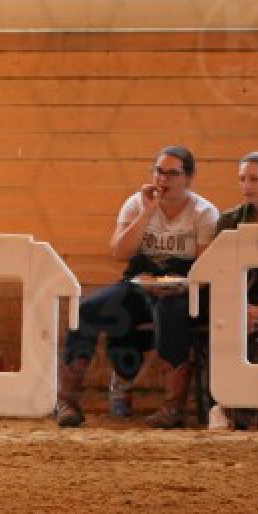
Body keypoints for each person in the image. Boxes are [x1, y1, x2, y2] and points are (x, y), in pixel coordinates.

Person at [53, 146, 217, 430]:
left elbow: (204, 268)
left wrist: (180, 286)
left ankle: (173, 406)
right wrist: (148, 211)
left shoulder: (204, 213)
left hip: (183, 289)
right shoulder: (136, 203)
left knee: (171, 313)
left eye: (172, 174)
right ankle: (66, 401)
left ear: (188, 178)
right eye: (158, 172)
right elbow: (119, 252)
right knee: (85, 311)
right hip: (139, 282)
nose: (163, 180)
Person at [204, 150, 258, 431]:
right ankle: (223, 405)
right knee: (224, 326)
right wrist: (238, 308)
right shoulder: (229, 220)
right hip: (237, 298)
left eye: (254, 179)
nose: (246, 186)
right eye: (242, 179)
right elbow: (219, 271)